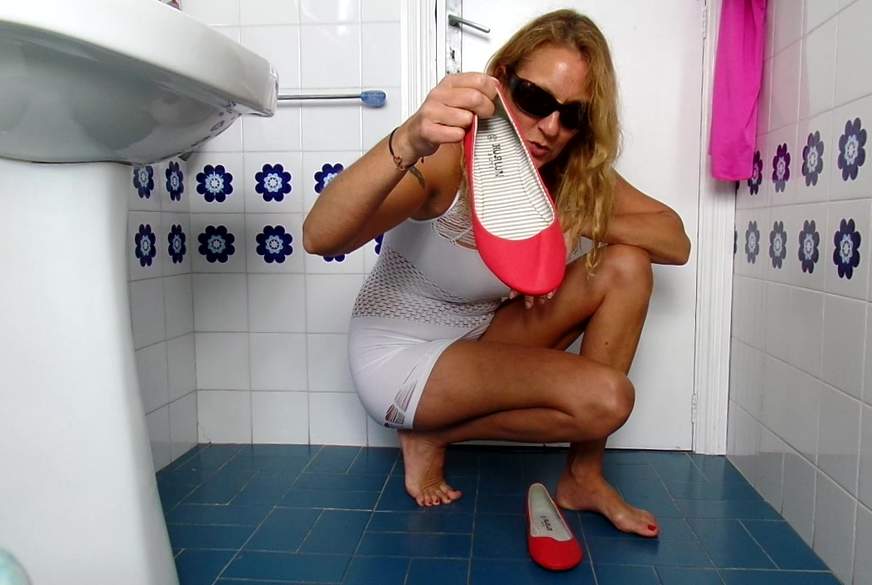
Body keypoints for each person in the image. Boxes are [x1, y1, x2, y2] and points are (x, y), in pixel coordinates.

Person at [302, 9, 690, 538]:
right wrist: (409, 138)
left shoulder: (565, 171)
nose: (550, 127)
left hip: (480, 337)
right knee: (608, 400)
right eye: (534, 100)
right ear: (502, 80)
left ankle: (583, 477)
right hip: (402, 356)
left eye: (573, 115)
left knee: (627, 264)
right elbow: (320, 237)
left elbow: (675, 241)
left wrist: (571, 217)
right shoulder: (447, 159)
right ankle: (431, 430)